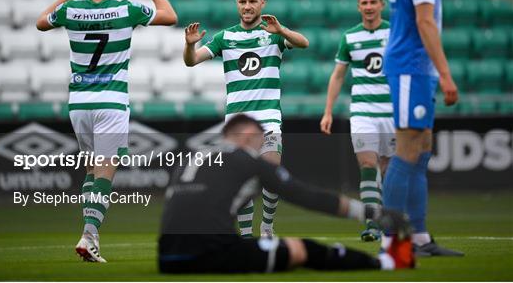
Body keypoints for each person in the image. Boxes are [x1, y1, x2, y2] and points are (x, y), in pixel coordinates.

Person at [36, 0, 177, 262]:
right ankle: (89, 234)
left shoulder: (71, 10)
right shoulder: (125, 9)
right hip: (111, 102)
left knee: (91, 169)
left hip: (79, 104)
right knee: (105, 173)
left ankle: (90, 235)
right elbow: (170, 16)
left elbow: (40, 23)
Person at [158, 114, 414, 274]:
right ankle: (385, 264)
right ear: (249, 135)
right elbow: (307, 196)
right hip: (210, 255)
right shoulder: (249, 162)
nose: (261, 146)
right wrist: (371, 213)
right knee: (303, 249)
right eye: (261, 140)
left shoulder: (190, 159)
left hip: (167, 257)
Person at [182, 0, 309, 238]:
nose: (247, 6)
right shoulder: (225, 37)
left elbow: (304, 42)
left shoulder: (274, 34)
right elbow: (191, 61)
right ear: (236, 3)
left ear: (262, 3)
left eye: (252, 1)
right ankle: (246, 235)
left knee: (272, 173)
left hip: (268, 118)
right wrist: (189, 44)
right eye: (242, 1)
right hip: (237, 123)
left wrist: (282, 30)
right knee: (243, 180)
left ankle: (267, 226)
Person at [383, 0, 463, 257]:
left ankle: (418, 237)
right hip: (412, 66)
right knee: (408, 147)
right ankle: (391, 240)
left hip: (414, 67)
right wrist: (445, 74)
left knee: (422, 149)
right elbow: (425, 20)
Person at [320, 0, 395, 243]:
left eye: (373, 2)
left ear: (381, 5)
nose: (369, 7)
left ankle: (389, 218)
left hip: (392, 111)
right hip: (362, 110)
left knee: (388, 170)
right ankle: (372, 222)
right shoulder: (350, 37)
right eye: (364, 3)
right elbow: (338, 75)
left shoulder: (394, 32)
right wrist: (328, 111)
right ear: (358, 6)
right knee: (367, 165)